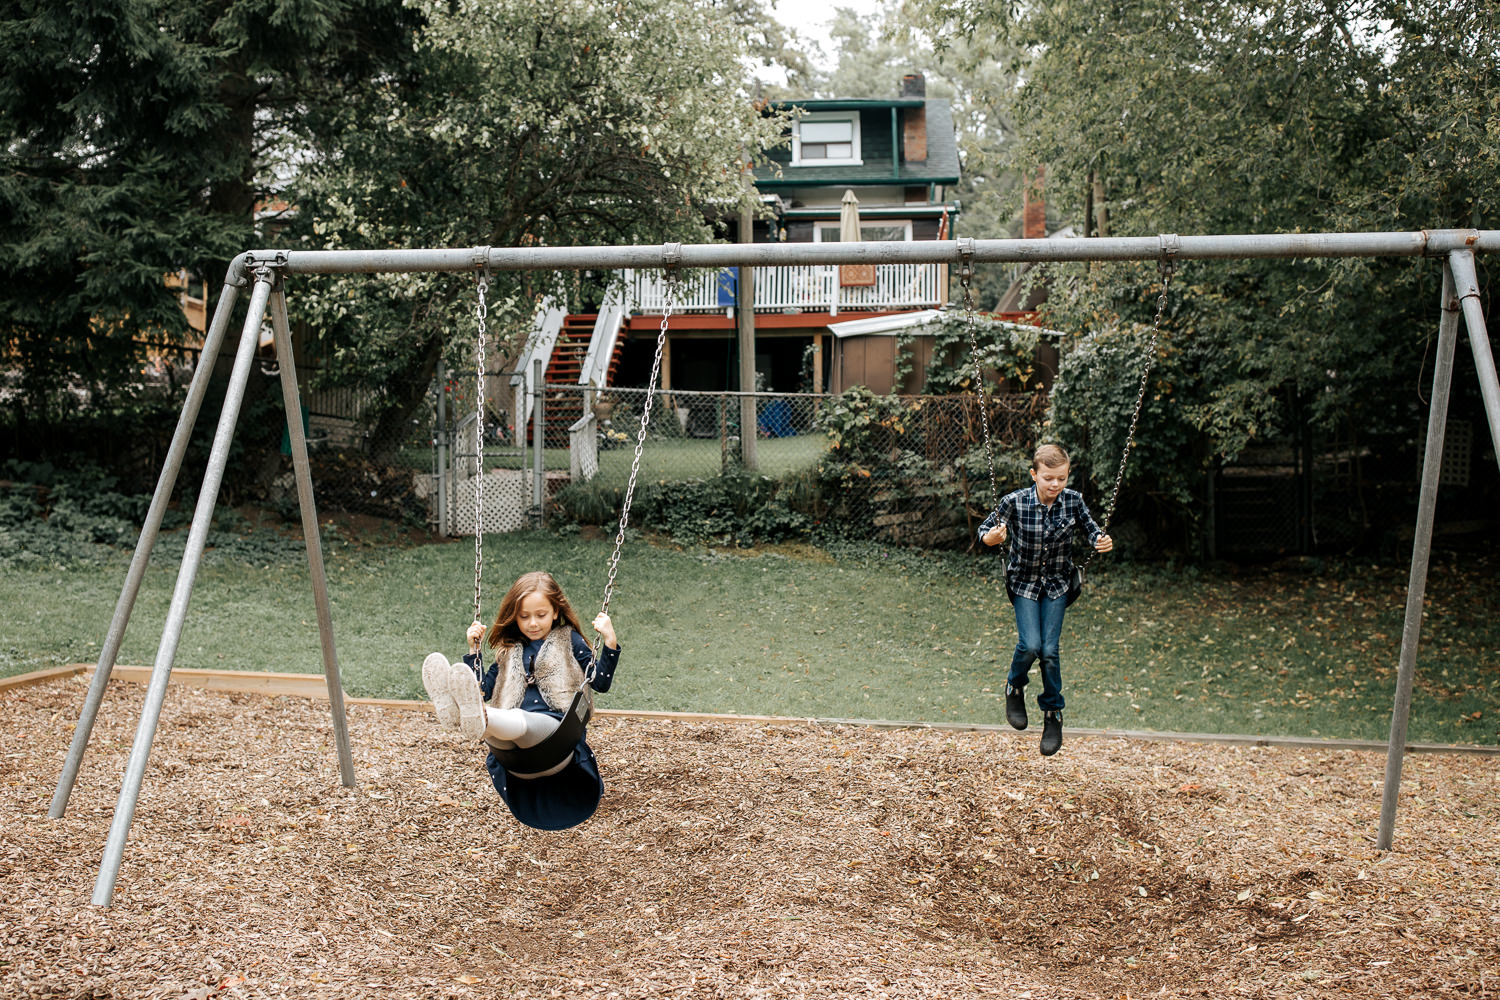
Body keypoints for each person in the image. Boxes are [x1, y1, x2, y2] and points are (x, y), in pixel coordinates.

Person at [421, 571, 620, 830]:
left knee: (516, 721)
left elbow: (600, 682)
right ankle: (461, 713)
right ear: (514, 615)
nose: (532, 623)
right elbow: (480, 689)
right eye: (524, 616)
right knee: (491, 725)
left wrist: (610, 640)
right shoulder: (508, 650)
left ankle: (479, 716)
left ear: (556, 612)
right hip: (513, 760)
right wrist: (474, 652)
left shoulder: (568, 640)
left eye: (541, 615)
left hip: (555, 738)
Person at [978, 444, 1112, 757]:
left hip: (1057, 585)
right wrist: (991, 538)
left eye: (1062, 478)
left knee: (1050, 651)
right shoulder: (1015, 501)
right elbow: (986, 530)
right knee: (1030, 645)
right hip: (1024, 584)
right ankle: (1015, 686)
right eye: (1049, 478)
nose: (1055, 485)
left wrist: (1100, 540)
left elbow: (1092, 530)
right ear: (1034, 474)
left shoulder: (1073, 501)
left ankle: (1053, 713)